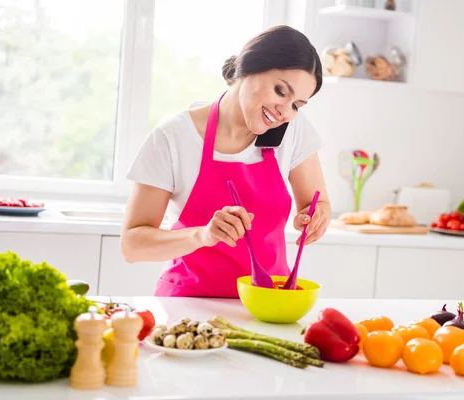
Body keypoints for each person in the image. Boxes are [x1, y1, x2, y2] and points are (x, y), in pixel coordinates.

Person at [121, 25, 331, 298]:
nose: (285, 112)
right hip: (189, 309)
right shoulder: (174, 136)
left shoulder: (293, 130)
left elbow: (318, 204)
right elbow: (132, 245)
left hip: (268, 304)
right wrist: (202, 235)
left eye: (297, 105)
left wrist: (316, 218)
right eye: (280, 91)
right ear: (248, 67)